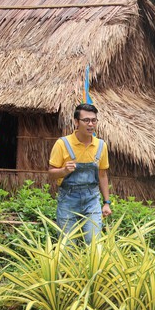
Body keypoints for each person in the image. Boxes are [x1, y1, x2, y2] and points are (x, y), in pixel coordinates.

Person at [48, 103, 111, 242]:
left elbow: (102, 175)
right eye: (86, 120)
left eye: (94, 120)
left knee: (93, 242)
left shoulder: (101, 146)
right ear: (76, 122)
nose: (90, 124)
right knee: (67, 245)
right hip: (68, 199)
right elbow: (51, 173)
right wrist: (64, 171)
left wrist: (106, 202)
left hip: (92, 199)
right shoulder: (62, 144)